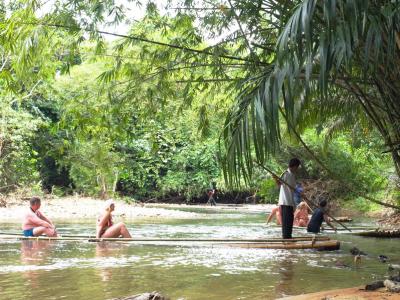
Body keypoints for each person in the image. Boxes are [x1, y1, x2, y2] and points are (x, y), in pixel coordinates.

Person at [274, 158, 301, 239]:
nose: (297, 169)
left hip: (290, 202)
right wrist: (275, 178)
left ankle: (288, 237)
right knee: (286, 221)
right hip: (285, 201)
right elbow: (279, 184)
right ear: (294, 166)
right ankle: (285, 237)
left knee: (290, 221)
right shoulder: (285, 174)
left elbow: (293, 188)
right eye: (297, 167)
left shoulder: (292, 175)